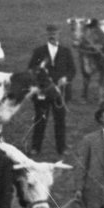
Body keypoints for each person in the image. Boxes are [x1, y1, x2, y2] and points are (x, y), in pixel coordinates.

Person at [27, 22, 76, 157]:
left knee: (60, 120)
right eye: (50, 34)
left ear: (59, 34)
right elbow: (31, 69)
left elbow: (72, 70)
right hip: (43, 92)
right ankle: (36, 147)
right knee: (40, 119)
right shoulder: (39, 51)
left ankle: (61, 148)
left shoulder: (66, 51)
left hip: (60, 92)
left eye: (55, 33)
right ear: (46, 35)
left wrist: (66, 78)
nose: (52, 36)